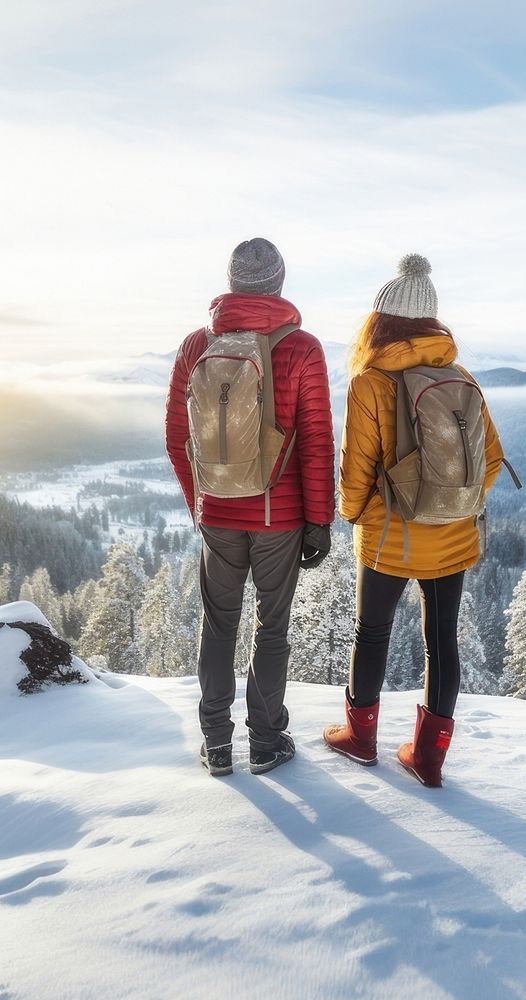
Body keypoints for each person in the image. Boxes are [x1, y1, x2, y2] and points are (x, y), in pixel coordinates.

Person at [323, 253, 504, 787]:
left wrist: (354, 515)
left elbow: (357, 467)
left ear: (379, 322)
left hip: (390, 534)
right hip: (454, 534)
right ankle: (428, 758)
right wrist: (454, 502)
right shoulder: (460, 376)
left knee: (371, 632)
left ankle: (360, 738)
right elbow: (491, 458)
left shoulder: (370, 382)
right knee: (442, 639)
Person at [166, 238, 335, 777]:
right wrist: (319, 521)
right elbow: (315, 440)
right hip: (278, 517)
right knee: (272, 627)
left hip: (218, 513)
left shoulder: (198, 344)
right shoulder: (302, 347)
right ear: (279, 284)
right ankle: (265, 741)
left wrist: (202, 500)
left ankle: (216, 742)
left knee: (218, 626)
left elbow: (177, 435)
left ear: (233, 282)